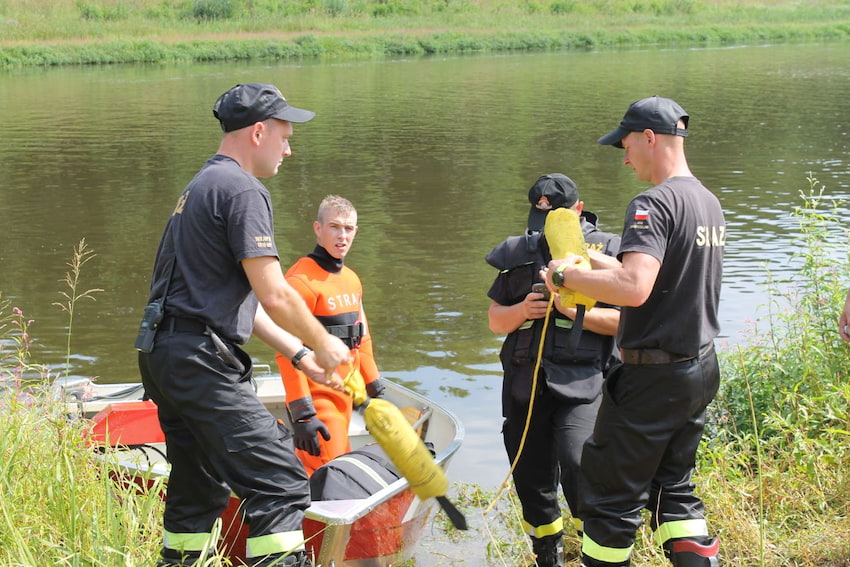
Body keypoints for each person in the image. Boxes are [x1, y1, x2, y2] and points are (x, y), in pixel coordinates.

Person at [137, 82, 352, 567]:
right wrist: (323, 341)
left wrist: (299, 355)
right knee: (280, 480)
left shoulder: (199, 187)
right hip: (198, 361)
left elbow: (238, 301)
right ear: (258, 132)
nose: (289, 149)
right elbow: (275, 292)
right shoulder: (243, 189)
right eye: (285, 136)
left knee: (198, 488)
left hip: (165, 356)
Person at [543, 96, 724, 567]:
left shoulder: (653, 203)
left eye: (626, 145)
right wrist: (594, 261)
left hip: (651, 380)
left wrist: (564, 277)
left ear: (649, 138)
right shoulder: (706, 201)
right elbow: (665, 273)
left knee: (608, 502)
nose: (624, 158)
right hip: (697, 368)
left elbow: (634, 286)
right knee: (674, 489)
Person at [486, 174, 621, 567]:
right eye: (539, 217)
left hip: (584, 379)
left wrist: (574, 312)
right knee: (530, 475)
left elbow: (626, 324)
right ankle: (548, 554)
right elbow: (495, 320)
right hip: (526, 381)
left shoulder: (607, 252)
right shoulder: (519, 251)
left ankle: (598, 548)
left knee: (580, 464)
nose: (544, 227)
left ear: (578, 211)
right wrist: (521, 311)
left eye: (555, 217)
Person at [275, 194, 385, 475]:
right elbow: (286, 349)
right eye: (335, 227)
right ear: (317, 228)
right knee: (330, 471)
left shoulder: (351, 279)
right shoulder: (300, 281)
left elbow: (363, 339)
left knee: (340, 467)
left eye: (349, 229)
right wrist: (302, 413)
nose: (342, 236)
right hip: (318, 397)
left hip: (347, 394)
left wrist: (376, 390)